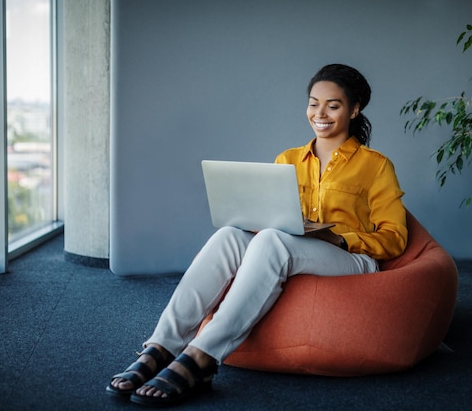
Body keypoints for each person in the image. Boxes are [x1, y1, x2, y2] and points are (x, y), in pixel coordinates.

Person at [107, 63, 408, 407]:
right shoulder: (288, 158)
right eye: (313, 103)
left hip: (353, 260)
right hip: (294, 248)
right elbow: (274, 216)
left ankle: (203, 355)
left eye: (333, 105)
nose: (319, 113)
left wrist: (339, 239)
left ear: (354, 109)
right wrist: (255, 218)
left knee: (271, 242)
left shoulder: (376, 165)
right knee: (229, 237)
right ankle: (161, 346)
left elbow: (395, 237)